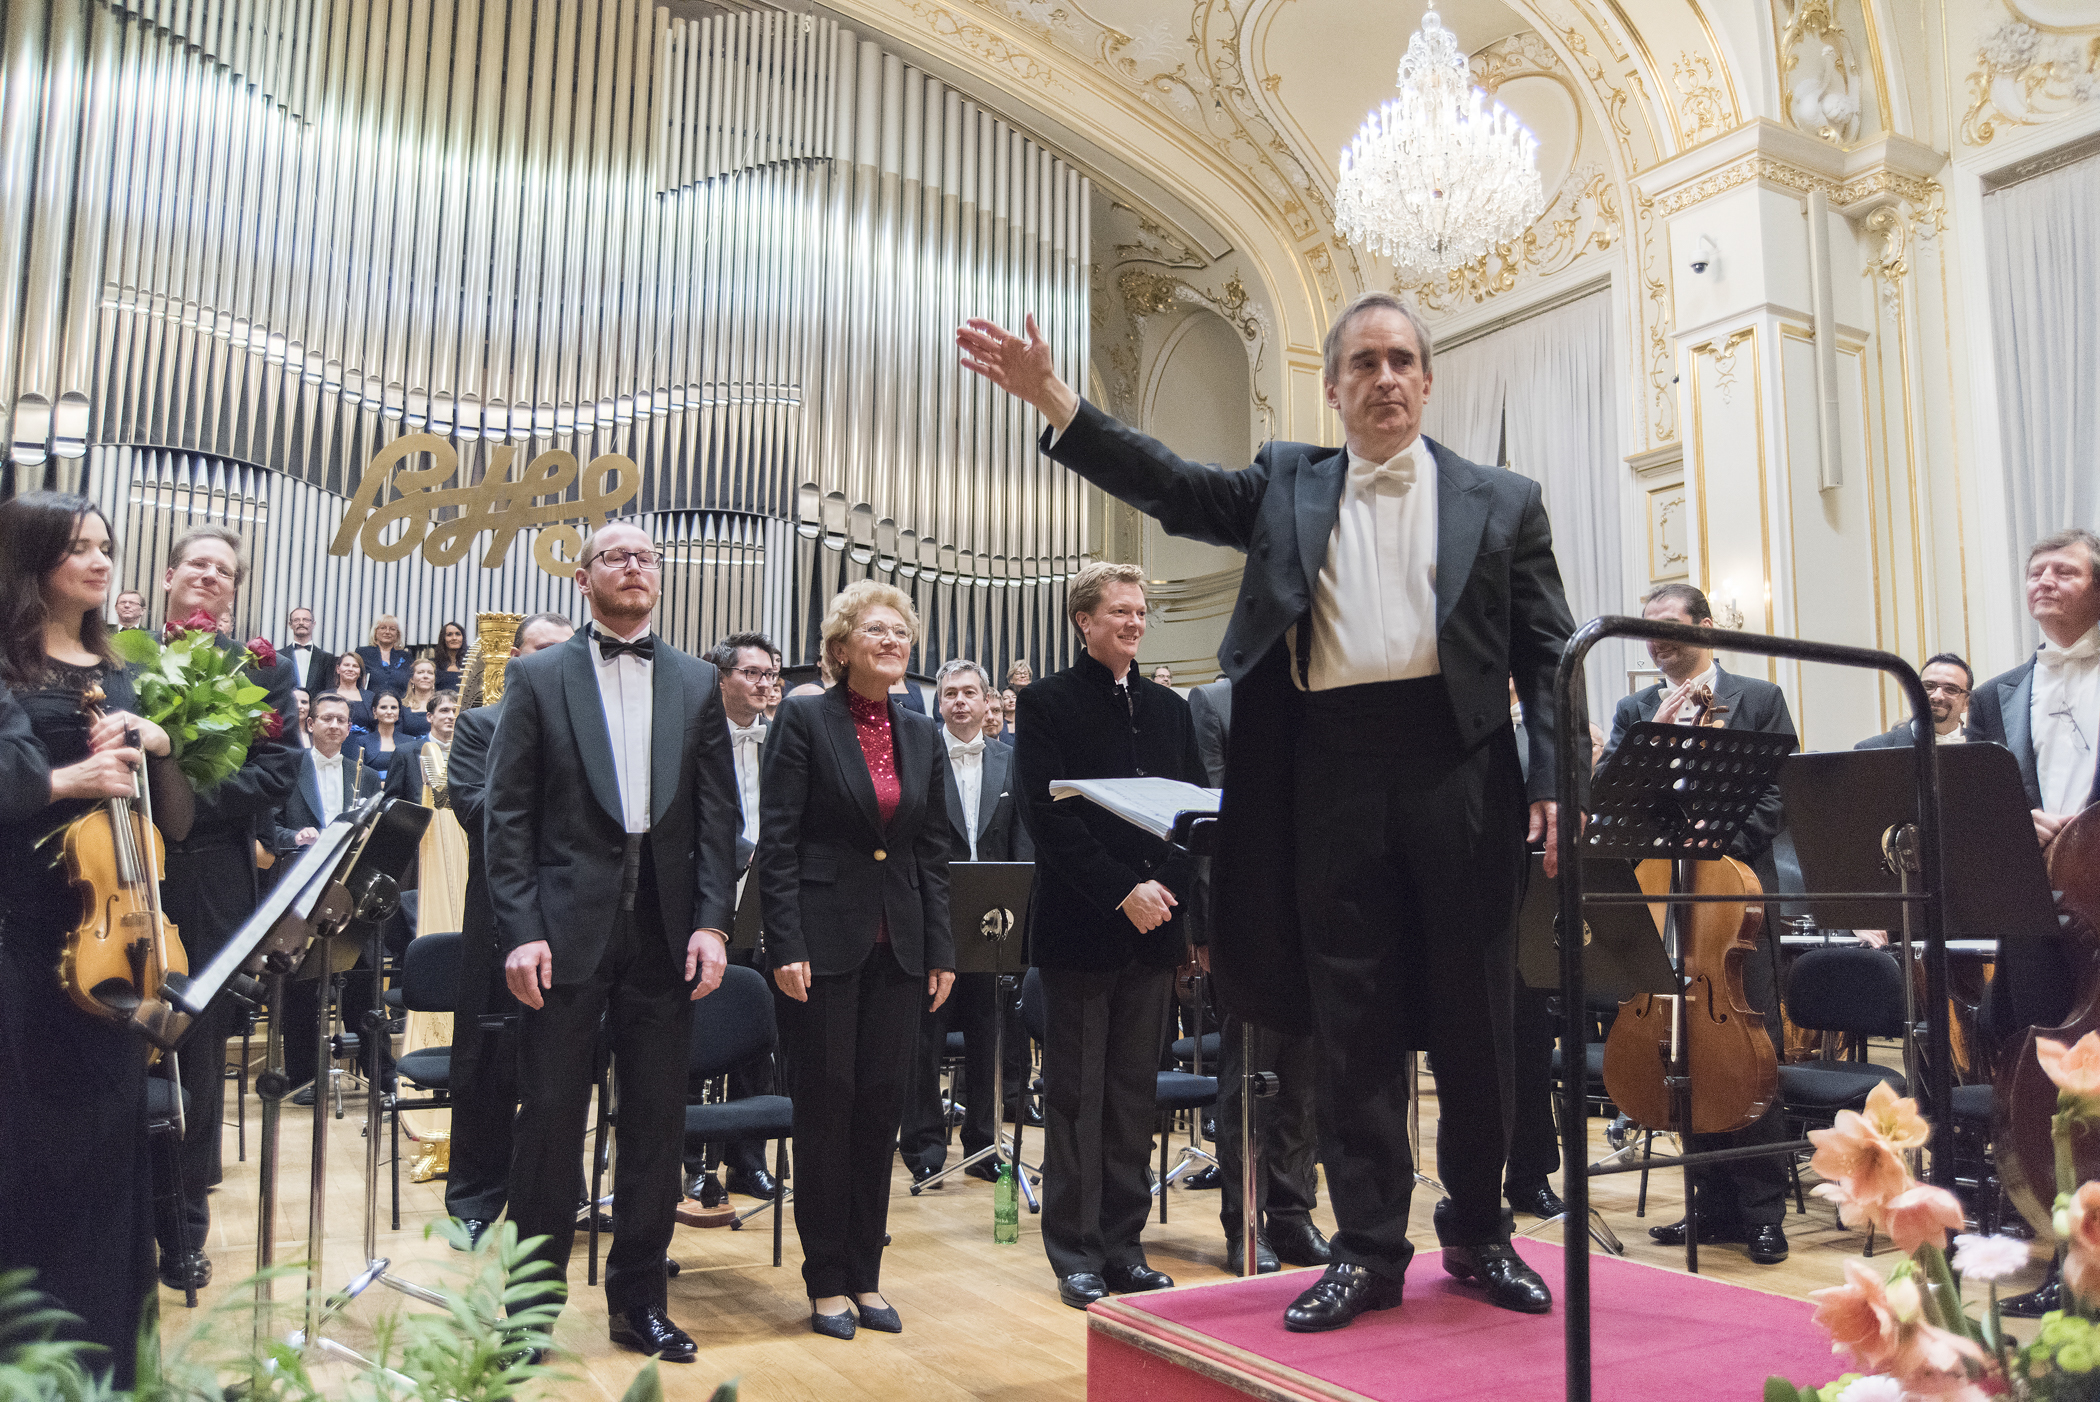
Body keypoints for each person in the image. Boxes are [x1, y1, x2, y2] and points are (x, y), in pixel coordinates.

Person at [960, 291, 1570, 1330]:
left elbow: (1548, 650)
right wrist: (1057, 398)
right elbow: (1172, 484)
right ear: (1332, 387)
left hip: (1462, 775)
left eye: (1402, 360)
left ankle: (1478, 1230)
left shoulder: (1506, 500)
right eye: (1363, 362)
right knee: (1351, 1027)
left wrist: (1553, 775)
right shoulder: (1290, 481)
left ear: (1428, 380)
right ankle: (1368, 1247)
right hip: (1329, 776)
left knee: (1478, 1021)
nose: (1385, 377)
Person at [486, 522, 740, 1362]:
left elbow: (717, 818)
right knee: (550, 1125)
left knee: (657, 1127)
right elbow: (507, 815)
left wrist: (712, 921)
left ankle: (639, 1305)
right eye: (615, 556)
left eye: (646, 557)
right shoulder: (537, 675)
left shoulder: (696, 679)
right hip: (564, 933)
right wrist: (522, 930)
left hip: (666, 935)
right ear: (584, 576)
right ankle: (528, 1315)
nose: (633, 567)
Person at [0, 494, 174, 1388]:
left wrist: (159, 741)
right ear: (32, 560)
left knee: (110, 1157)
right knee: (33, 1157)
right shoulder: (8, 665)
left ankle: (111, 1363)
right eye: (79, 548)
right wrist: (71, 778)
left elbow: (168, 820)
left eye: (106, 546)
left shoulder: (116, 670)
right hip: (26, 947)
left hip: (112, 949)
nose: (102, 562)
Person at [756, 581, 956, 1340]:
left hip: (899, 944)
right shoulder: (805, 717)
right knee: (827, 1107)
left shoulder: (921, 732)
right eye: (876, 628)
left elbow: (932, 851)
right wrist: (786, 942)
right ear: (841, 647)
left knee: (880, 1106)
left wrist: (941, 948)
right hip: (821, 944)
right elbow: (778, 840)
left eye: (900, 629)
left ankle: (867, 1275)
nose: (892, 639)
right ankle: (826, 1282)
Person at [1006, 562, 1207, 1310]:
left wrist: (1166, 892)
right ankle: (1077, 1252)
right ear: (1083, 621)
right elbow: (1047, 817)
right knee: (1075, 1098)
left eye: (1141, 611)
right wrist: (1123, 891)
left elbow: (1195, 813)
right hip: (1082, 926)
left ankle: (1125, 1246)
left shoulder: (1169, 709)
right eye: (1119, 611)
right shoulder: (1047, 703)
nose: (1134, 622)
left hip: (1154, 929)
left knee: (1132, 1098)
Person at [1603, 581, 1797, 1265]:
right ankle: (1708, 1206)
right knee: (1682, 1049)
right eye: (1646, 627)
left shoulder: (1758, 698)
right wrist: (1654, 741)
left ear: (1706, 627)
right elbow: (1614, 795)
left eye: (1668, 623)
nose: (1655, 637)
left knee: (1749, 1047)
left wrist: (1718, 842)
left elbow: (1777, 792)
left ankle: (1762, 1210)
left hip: (1736, 894)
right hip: (1666, 894)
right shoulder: (1636, 709)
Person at [149, 524, 300, 1292]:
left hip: (210, 877)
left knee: (196, 1053)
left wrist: (180, 798)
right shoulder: (122, 658)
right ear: (169, 575)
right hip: (117, 867)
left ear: (235, 589)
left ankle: (183, 1231)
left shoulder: (262, 670)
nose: (210, 576)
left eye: (225, 571)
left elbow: (277, 770)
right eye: (198, 564)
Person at [1189, 674, 1333, 1274]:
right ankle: (1244, 1222)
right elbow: (1208, 823)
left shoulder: (1322, 694)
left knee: (1304, 1080)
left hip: (1316, 914)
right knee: (1247, 1078)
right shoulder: (1215, 702)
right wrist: (1205, 928)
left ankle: (1293, 1216)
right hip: (1247, 917)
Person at [442, 611, 575, 1250]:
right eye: (540, 651)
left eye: (564, 652)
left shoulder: (589, 729)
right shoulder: (481, 724)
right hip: (501, 910)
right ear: (516, 661)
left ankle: (560, 1192)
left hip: (574, 911)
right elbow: (474, 807)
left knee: (563, 1063)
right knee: (488, 1059)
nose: (552, 663)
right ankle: (474, 1198)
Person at [898, 659, 1033, 1188]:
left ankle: (982, 1143)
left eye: (969, 693)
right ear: (938, 703)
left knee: (989, 1035)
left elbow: (1022, 840)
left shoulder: (1011, 759)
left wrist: (1018, 910)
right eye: (950, 693)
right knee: (924, 1038)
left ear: (986, 701)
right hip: (932, 914)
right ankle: (925, 1146)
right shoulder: (919, 753)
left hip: (993, 919)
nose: (959, 701)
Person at [1972, 529, 2100, 1042]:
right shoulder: (1991, 697)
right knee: (2039, 1050)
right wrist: (2014, 825)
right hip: (2035, 905)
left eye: (2064, 571)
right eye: (2035, 573)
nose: (2044, 581)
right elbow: (1977, 805)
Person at [686, 631, 786, 1208]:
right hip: (707, 900)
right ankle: (690, 1162)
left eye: (770, 674)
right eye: (751, 673)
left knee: (757, 1034)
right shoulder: (692, 736)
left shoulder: (782, 739)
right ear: (719, 679)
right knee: (698, 1029)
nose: (764, 684)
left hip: (768, 900)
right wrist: (745, 850)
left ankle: (748, 1160)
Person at [266, 692, 384, 1097]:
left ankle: (379, 1073)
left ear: (349, 727)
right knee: (301, 984)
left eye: (342, 720)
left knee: (362, 979)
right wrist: (295, 836)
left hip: (349, 889)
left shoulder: (366, 775)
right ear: (310, 723)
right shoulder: (289, 767)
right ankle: (304, 1079)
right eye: (327, 718)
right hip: (301, 888)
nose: (335, 725)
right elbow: (269, 826)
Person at [1858, 653, 1981, 748]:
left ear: (1966, 703)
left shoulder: (1986, 750)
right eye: (1928, 686)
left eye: (1951, 689)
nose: (1937, 696)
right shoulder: (1870, 749)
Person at [347, 692, 406, 778]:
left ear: (399, 711)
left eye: (393, 707)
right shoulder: (362, 741)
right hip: (371, 786)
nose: (389, 712)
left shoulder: (410, 741)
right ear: (374, 711)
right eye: (383, 707)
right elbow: (356, 774)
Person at [281, 606, 336, 696]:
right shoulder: (279, 656)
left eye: (306, 620)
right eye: (296, 620)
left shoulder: (327, 659)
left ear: (313, 624)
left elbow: (329, 690)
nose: (301, 623)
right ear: (290, 624)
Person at [355, 614, 413, 697]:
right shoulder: (362, 653)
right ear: (375, 632)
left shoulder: (406, 656)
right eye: (383, 628)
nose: (387, 632)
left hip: (399, 701)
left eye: (392, 629)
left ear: (397, 634)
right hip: (369, 701)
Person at [320, 650, 375, 730]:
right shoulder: (324, 696)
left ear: (360, 672)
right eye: (346, 665)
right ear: (338, 669)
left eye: (355, 666)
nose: (350, 669)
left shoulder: (371, 697)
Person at [397, 658, 439, 738]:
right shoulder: (401, 706)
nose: (425, 676)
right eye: (420, 672)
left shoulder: (442, 705)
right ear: (412, 679)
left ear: (434, 679)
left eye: (430, 673)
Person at [431, 620, 469, 692]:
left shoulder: (471, 665)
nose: (454, 638)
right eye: (449, 634)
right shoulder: (433, 665)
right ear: (443, 638)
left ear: (463, 638)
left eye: (458, 634)